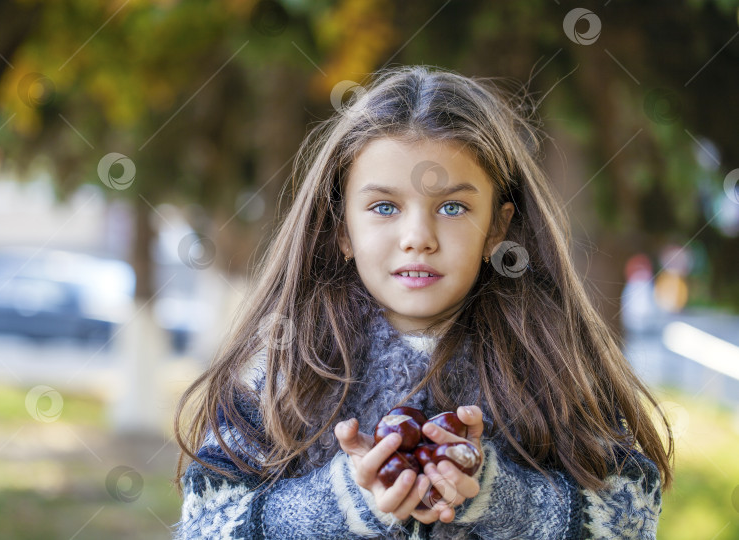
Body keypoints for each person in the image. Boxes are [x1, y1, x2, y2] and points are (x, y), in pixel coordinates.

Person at [172, 65, 674, 539]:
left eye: (452, 207)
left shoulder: (553, 360)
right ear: (341, 227)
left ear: (497, 227)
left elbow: (632, 518)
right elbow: (206, 525)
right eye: (384, 207)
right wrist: (346, 500)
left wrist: (495, 497)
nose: (418, 237)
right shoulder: (281, 366)